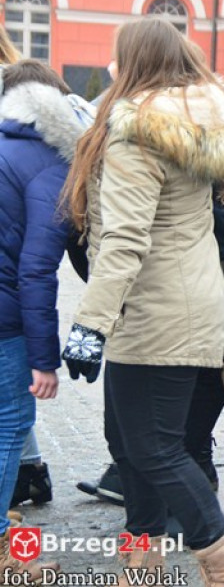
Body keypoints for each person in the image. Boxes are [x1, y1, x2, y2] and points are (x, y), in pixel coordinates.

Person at [60, 17, 224, 583]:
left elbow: (125, 239)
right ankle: (141, 561)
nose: (110, 67)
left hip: (155, 311)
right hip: (183, 304)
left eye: (117, 58)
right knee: (127, 442)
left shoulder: (135, 130)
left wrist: (89, 325)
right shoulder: (190, 122)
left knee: (154, 449)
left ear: (135, 63)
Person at [0, 60, 92, 580]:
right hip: (7, 322)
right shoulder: (51, 164)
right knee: (11, 426)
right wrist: (44, 360)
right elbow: (35, 272)